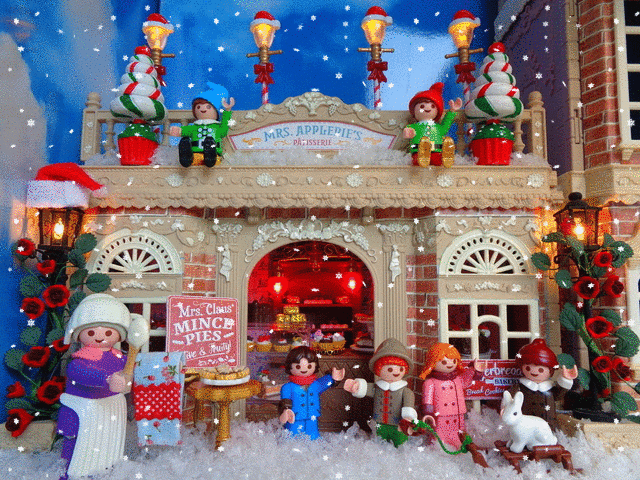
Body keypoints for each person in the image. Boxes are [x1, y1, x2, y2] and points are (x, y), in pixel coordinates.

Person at [57, 294, 147, 479]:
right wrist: (106, 379)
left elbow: (130, 371)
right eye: (91, 333)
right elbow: (80, 372)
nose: (99, 337)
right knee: (78, 444)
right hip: (84, 409)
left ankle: (105, 470)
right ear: (79, 334)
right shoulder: (79, 360)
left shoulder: (119, 358)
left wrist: (133, 373)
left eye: (108, 333)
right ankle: (70, 472)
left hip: (111, 409)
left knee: (109, 443)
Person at [343, 338, 417, 447]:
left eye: (401, 369)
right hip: (379, 424)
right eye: (390, 369)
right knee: (378, 444)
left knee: (399, 445)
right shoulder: (377, 388)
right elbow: (366, 388)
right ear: (379, 369)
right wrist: (357, 386)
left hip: (398, 426)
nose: (396, 372)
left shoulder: (405, 391)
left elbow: (409, 407)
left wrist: (408, 417)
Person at [418, 343, 485, 448]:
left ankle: (458, 442)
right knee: (439, 431)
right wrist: (428, 411)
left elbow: (466, 379)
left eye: (454, 361)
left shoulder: (457, 379)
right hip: (440, 414)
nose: (449, 364)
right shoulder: (430, 382)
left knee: (459, 430)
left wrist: (473, 369)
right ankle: (438, 444)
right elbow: (428, 399)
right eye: (444, 362)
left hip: (457, 413)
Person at [509, 339, 577, 430]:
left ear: (550, 371)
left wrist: (565, 380)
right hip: (525, 425)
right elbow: (510, 398)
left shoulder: (549, 389)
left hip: (548, 425)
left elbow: (559, 395)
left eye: (541, 370)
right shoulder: (521, 387)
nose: (534, 372)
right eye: (528, 368)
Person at [279, 346, 345, 439]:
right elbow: (285, 402)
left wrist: (333, 378)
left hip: (312, 417)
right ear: (290, 366)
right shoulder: (288, 387)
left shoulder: (316, 384)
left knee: (313, 436)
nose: (304, 369)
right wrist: (285, 410)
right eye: (298, 366)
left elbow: (326, 382)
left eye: (309, 366)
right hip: (295, 418)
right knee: (292, 437)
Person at [169, 82, 235, 167]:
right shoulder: (194, 127)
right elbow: (186, 130)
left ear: (216, 111)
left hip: (214, 156)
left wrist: (227, 111)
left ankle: (210, 156)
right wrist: (179, 131)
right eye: (198, 107)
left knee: (211, 147)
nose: (202, 109)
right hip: (196, 155)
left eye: (208, 107)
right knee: (185, 140)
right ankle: (186, 157)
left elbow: (224, 128)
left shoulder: (217, 127)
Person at [403, 82, 462, 167]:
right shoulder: (414, 126)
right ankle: (423, 157)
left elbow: (446, 125)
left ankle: (446, 157)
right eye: (422, 106)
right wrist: (408, 132)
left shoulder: (438, 127)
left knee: (438, 159)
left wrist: (452, 111)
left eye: (432, 106)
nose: (427, 108)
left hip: (436, 150)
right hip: (418, 151)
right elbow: (408, 130)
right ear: (414, 111)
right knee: (417, 159)